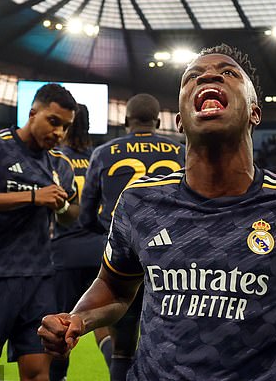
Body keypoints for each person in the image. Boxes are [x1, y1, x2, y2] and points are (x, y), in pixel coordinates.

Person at [39, 45, 276, 381]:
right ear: (180, 121)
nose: (209, 75)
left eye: (228, 73)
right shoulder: (139, 203)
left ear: (254, 112)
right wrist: (78, 318)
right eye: (193, 77)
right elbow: (114, 287)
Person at [0, 83, 79, 380]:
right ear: (32, 112)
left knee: (38, 374)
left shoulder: (61, 165)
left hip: (39, 282)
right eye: (53, 122)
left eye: (65, 127)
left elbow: (71, 217)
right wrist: (35, 197)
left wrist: (61, 207)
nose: (59, 133)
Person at [76, 93, 185, 380]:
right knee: (175, 343)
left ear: (126, 121)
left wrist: (110, 233)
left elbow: (86, 214)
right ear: (158, 121)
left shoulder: (103, 153)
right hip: (175, 262)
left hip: (126, 262)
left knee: (122, 349)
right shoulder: (181, 151)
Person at [49, 104, 112, 381]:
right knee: (105, 325)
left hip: (64, 251)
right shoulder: (100, 157)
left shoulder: (54, 157)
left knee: (60, 326)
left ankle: (59, 377)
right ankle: (118, 371)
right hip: (101, 250)